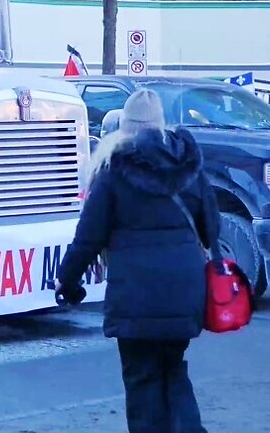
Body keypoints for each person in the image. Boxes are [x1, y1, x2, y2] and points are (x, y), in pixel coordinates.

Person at [56, 89, 218, 433]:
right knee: (173, 369)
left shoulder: (113, 170)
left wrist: (67, 281)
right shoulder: (189, 166)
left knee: (142, 379)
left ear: (125, 127)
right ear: (161, 125)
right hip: (184, 290)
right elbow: (212, 229)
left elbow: (88, 238)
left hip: (135, 296)